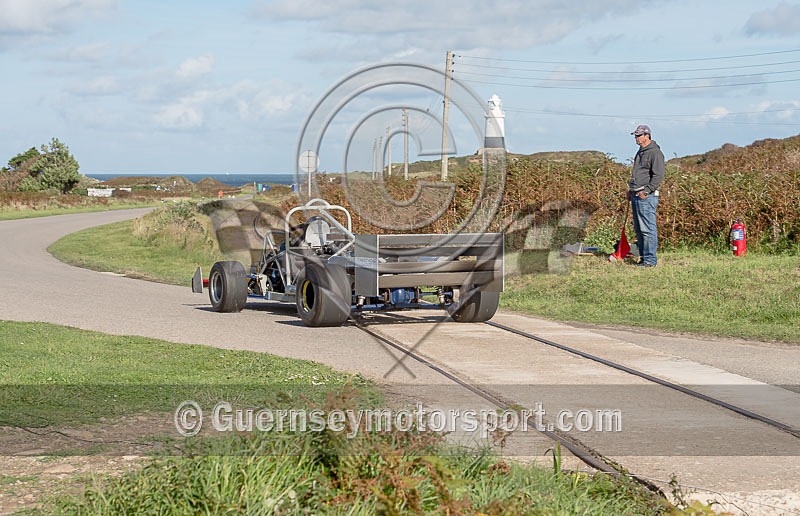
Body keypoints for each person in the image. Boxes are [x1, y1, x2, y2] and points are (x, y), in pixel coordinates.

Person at [626, 125, 665, 267]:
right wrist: (631, 190)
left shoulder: (655, 153)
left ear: (646, 136)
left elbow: (658, 176)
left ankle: (650, 260)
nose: (636, 138)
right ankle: (643, 258)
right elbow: (638, 173)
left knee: (648, 229)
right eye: (635, 135)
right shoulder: (640, 152)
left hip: (646, 197)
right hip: (637, 195)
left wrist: (647, 191)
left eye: (638, 135)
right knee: (639, 229)